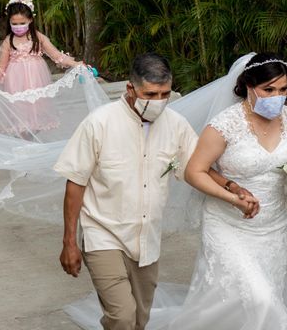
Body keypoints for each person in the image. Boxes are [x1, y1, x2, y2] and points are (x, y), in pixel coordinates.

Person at [54, 53, 258, 330]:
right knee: (122, 316)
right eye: (150, 94)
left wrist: (232, 189)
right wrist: (69, 242)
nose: (158, 101)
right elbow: (75, 182)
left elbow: (197, 168)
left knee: (139, 320)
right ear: (130, 89)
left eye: (164, 94)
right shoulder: (99, 124)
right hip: (102, 234)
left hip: (147, 241)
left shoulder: (175, 125)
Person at [154, 52, 287, 330]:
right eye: (268, 90)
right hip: (228, 225)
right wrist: (232, 197)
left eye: (283, 90)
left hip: (273, 228)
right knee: (262, 301)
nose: (277, 97)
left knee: (254, 299)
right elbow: (194, 171)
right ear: (248, 86)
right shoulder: (225, 125)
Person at [0, 0, 84, 136]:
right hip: (16, 81)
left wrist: (75, 63)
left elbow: (57, 56)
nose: (18, 27)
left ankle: (30, 139)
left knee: (37, 112)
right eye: (14, 24)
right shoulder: (8, 41)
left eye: (22, 23)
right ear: (9, 22)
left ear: (30, 20)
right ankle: (25, 141)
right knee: (20, 113)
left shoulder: (38, 37)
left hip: (37, 79)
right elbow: (1, 66)